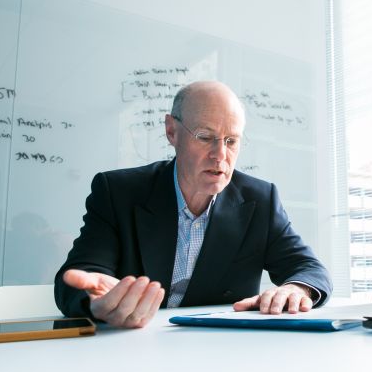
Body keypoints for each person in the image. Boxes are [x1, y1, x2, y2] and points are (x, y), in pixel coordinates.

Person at [55, 80, 331, 328]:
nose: (220, 155)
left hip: (220, 353)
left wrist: (296, 289)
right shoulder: (118, 191)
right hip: (132, 349)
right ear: (172, 131)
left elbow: (310, 270)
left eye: (231, 141)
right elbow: (78, 278)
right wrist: (99, 302)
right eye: (205, 137)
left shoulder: (260, 199)